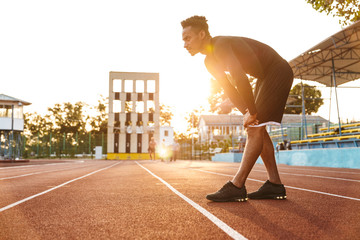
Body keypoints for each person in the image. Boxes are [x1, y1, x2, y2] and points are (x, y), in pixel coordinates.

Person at [181, 16, 293, 202]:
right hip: (264, 76)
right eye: (183, 39)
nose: (185, 44)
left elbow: (239, 77)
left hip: (277, 70)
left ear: (202, 34)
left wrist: (252, 111)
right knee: (255, 125)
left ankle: (237, 185)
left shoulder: (221, 45)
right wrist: (247, 113)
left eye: (188, 38)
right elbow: (228, 87)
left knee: (254, 127)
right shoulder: (209, 61)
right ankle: (274, 184)